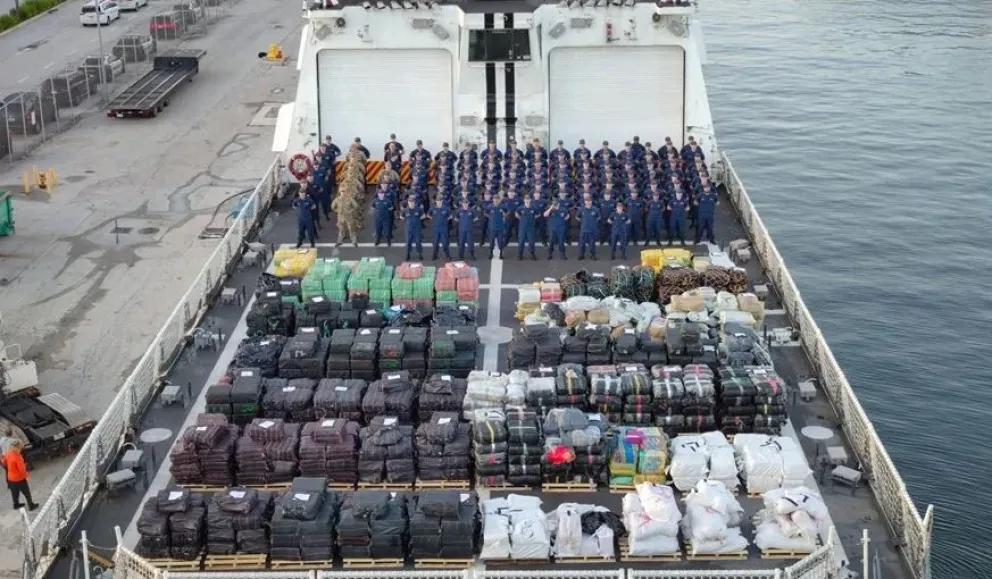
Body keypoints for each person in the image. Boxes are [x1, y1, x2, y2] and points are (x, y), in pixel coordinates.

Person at [2, 441, 37, 511]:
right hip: (19, 479)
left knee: (14, 493)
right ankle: (31, 505)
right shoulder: (18, 457)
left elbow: (4, 462)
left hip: (10, 478)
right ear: (18, 448)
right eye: (20, 448)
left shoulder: (8, 454)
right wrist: (26, 475)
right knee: (27, 493)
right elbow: (22, 470)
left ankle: (16, 504)